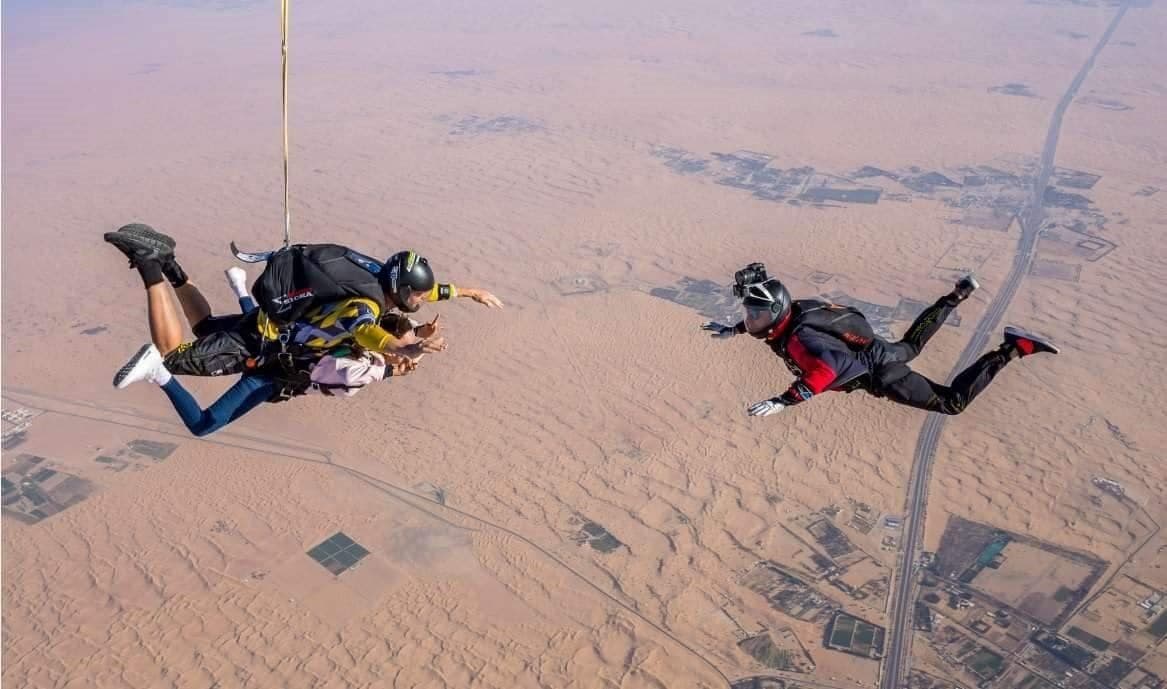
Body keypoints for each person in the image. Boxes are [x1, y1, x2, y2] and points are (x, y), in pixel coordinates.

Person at [103, 223, 502, 384]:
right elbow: (373, 335)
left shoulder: (378, 275)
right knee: (174, 357)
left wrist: (468, 292)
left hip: (264, 321)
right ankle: (149, 263)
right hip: (259, 343)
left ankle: (170, 264)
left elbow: (426, 291)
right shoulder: (363, 307)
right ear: (400, 292)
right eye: (415, 295)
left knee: (204, 327)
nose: (420, 300)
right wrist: (410, 347)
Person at [702, 263, 1058, 417]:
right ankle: (957, 295)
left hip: (883, 375)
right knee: (912, 346)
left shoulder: (801, 341)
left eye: (756, 316)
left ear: (777, 313)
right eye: (750, 314)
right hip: (876, 351)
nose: (751, 321)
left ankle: (1012, 348)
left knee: (952, 404)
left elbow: (829, 369)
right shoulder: (796, 311)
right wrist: (733, 329)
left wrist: (784, 400)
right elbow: (764, 321)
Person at [113, 266, 428, 437]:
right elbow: (346, 376)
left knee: (206, 329)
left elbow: (395, 326)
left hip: (271, 336)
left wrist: (394, 366)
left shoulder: (351, 323)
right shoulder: (360, 358)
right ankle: (158, 372)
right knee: (203, 425)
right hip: (268, 376)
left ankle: (179, 270)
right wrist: (386, 369)